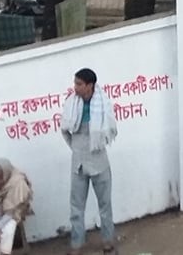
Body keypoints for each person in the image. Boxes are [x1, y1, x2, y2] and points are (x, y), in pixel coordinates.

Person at [61, 68, 118, 255]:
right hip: (78, 163)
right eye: (75, 83)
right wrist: (77, 148)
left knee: (105, 206)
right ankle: (76, 245)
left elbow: (110, 129)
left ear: (89, 86)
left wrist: (91, 145)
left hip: (99, 162)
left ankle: (108, 242)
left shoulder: (104, 103)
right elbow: (65, 130)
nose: (75, 87)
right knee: (76, 208)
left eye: (79, 84)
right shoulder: (71, 103)